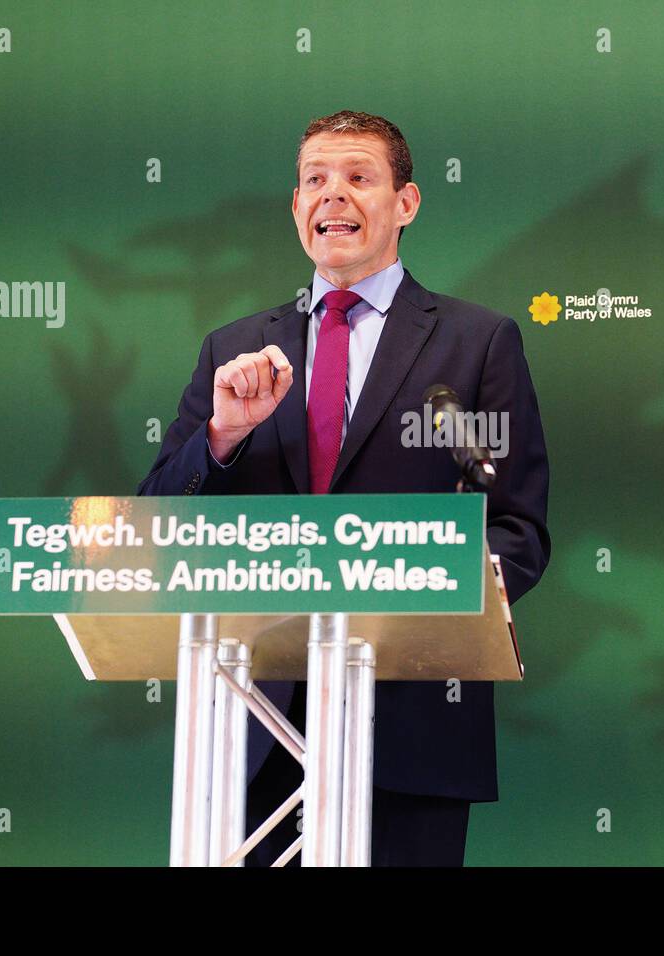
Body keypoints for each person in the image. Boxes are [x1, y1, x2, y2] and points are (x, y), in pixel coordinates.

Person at [138, 110, 549, 866]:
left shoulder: (477, 343)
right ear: (296, 207)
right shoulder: (232, 350)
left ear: (407, 202)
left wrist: (402, 603)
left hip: (411, 731)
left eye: (359, 178)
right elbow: (160, 526)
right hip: (248, 731)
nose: (334, 196)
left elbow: (516, 532)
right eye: (315, 181)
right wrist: (223, 436)